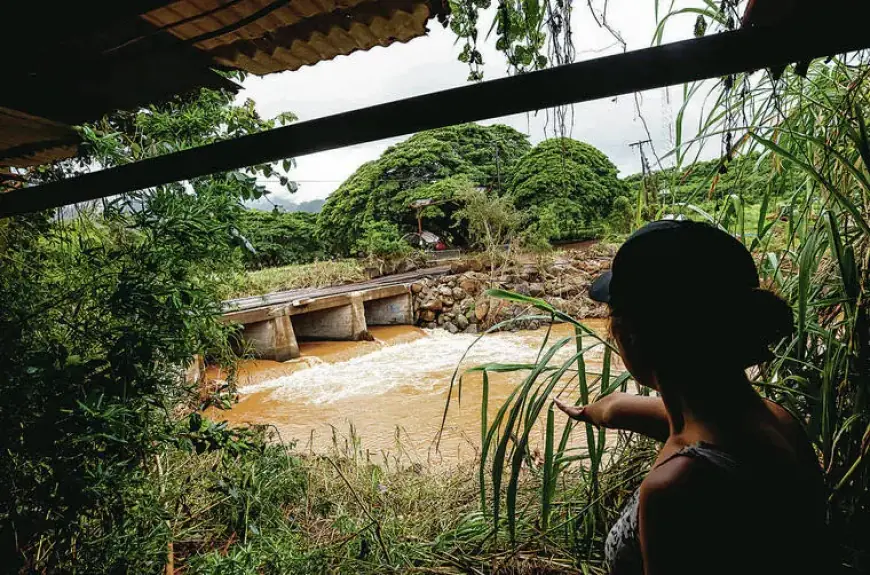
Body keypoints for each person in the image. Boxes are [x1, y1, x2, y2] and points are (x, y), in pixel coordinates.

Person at [553, 220, 830, 575]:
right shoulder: (775, 420)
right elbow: (633, 411)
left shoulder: (674, 489)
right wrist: (597, 410)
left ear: (630, 335)